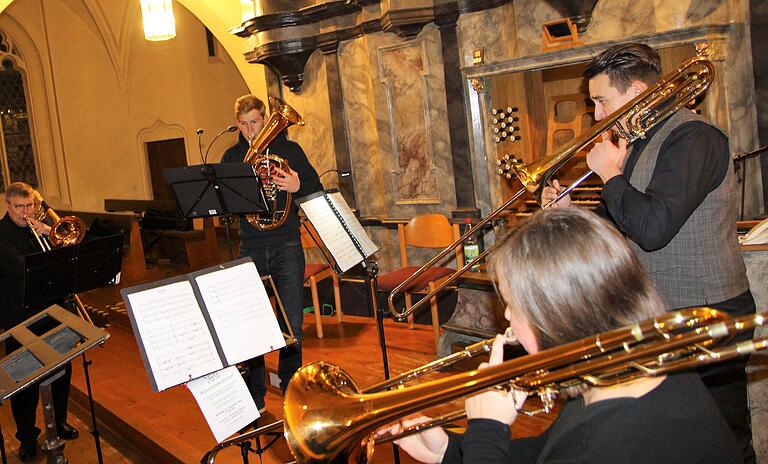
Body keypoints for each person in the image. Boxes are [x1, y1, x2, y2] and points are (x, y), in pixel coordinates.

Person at [385, 207, 741, 463]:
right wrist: (450, 450)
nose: (506, 316)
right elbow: (550, 451)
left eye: (513, 305)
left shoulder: (612, 440)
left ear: (557, 319)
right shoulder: (627, 376)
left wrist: (487, 429)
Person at [541, 43, 755, 462]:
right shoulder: (639, 143)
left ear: (637, 90)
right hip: (662, 311)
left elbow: (654, 228)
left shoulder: (695, 137)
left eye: (602, 101)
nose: (598, 114)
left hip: (709, 312)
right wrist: (572, 212)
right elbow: (620, 224)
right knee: (673, 432)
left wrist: (611, 175)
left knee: (723, 434)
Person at [221, 95, 322, 415]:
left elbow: (314, 187)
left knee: (291, 322)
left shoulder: (290, 151)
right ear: (237, 124)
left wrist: (295, 184)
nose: (251, 130)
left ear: (266, 119)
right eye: (244, 124)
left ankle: (292, 387)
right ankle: (255, 393)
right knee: (250, 323)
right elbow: (223, 200)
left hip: (287, 244)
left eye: (256, 122)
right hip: (249, 245)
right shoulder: (233, 156)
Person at [0, 182, 79, 462]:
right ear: (8, 206)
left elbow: (68, 257)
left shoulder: (40, 230)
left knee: (61, 370)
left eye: (30, 205)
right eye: (19, 206)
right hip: (19, 315)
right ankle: (27, 437)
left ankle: (58, 423)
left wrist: (50, 234)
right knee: (24, 379)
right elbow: (19, 266)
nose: (25, 212)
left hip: (53, 309)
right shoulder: (2, 234)